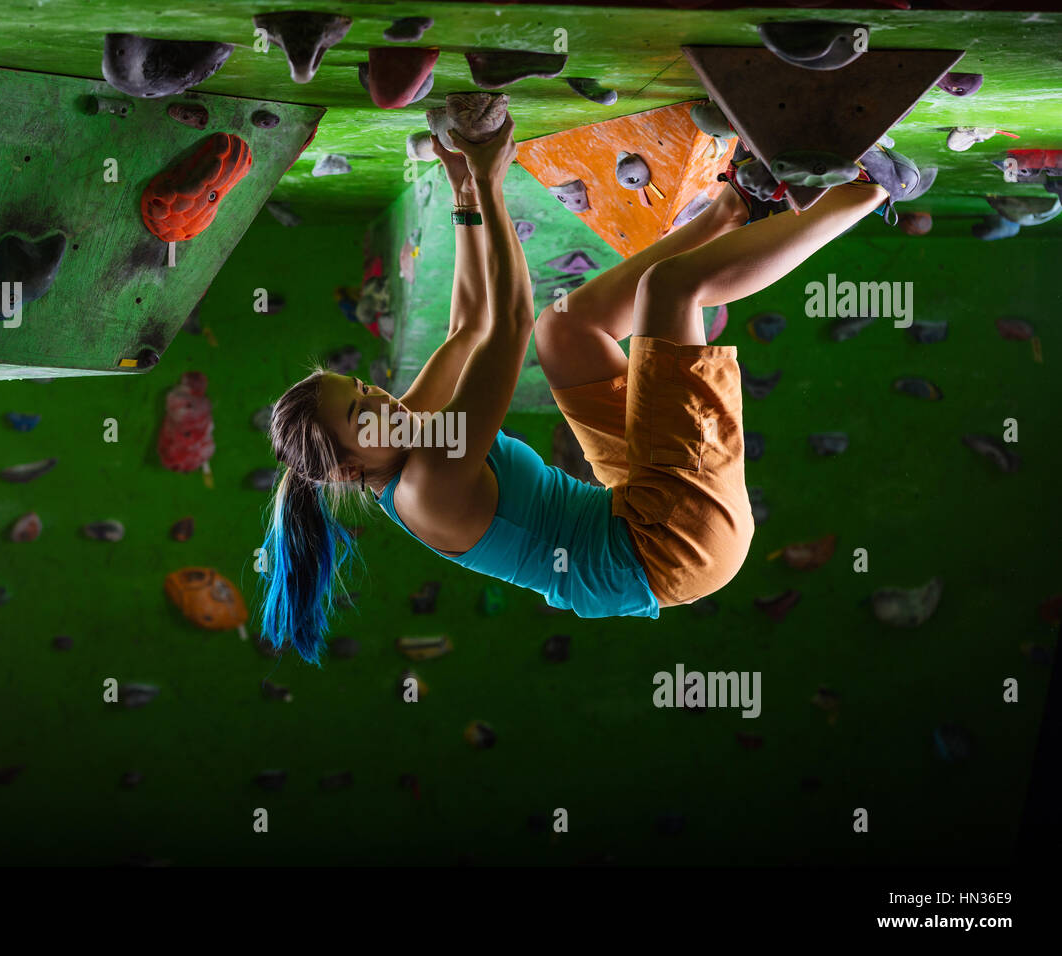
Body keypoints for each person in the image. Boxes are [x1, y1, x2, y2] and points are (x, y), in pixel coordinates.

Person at [258, 113, 895, 666]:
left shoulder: (394, 433)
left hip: (630, 501)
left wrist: (462, 195)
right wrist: (489, 180)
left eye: (364, 387)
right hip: (674, 545)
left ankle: (736, 206)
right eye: (361, 414)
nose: (381, 402)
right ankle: (865, 192)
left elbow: (468, 325)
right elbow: (502, 325)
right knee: (670, 292)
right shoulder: (428, 487)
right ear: (346, 471)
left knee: (564, 331)